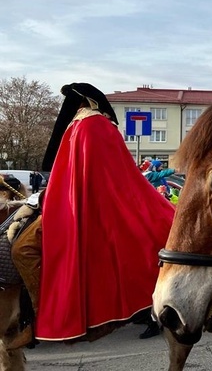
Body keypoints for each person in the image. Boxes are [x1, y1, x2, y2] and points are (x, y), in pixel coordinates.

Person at [14, 83, 175, 343]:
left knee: (21, 249)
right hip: (58, 201)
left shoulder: (89, 126)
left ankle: (34, 319)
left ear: (82, 102)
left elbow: (86, 178)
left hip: (71, 206)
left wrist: (56, 199)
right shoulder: (90, 126)